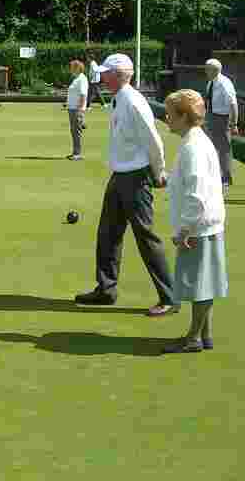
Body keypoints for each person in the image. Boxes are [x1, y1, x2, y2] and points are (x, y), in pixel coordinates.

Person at [75, 53, 176, 317]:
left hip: (136, 177)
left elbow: (154, 140)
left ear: (119, 75)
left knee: (146, 236)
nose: (103, 77)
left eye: (107, 73)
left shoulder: (133, 101)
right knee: (107, 233)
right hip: (120, 175)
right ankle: (106, 289)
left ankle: (170, 297)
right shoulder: (119, 99)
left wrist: (159, 171)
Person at [162, 89, 227, 354]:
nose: (167, 118)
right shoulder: (196, 140)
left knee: (200, 284)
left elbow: (196, 194)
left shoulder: (192, 146)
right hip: (205, 224)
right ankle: (205, 334)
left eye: (171, 114)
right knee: (205, 281)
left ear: (184, 117)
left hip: (198, 227)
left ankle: (193, 338)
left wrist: (185, 229)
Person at [203, 58, 239, 192]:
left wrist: (234, 123)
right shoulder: (211, 83)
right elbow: (208, 101)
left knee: (224, 150)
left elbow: (233, 104)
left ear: (215, 70)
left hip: (222, 118)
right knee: (212, 148)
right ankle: (215, 175)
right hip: (212, 116)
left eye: (207, 69)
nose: (205, 71)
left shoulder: (225, 84)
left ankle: (226, 179)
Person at [66, 58, 88, 160]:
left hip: (76, 109)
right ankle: (75, 152)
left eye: (71, 68)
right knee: (74, 131)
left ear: (77, 68)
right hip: (72, 108)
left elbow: (83, 95)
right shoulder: (77, 78)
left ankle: (77, 154)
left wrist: (80, 110)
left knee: (76, 131)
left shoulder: (82, 79)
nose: (70, 70)